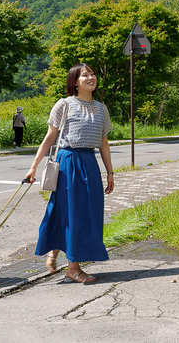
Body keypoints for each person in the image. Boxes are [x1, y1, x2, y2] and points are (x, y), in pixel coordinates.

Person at [24, 64, 115, 284]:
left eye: (92, 74)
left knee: (84, 213)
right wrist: (33, 166)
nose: (91, 77)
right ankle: (73, 268)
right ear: (75, 82)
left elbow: (103, 143)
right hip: (68, 162)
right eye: (85, 75)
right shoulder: (64, 105)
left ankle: (56, 250)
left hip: (89, 163)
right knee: (73, 213)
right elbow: (49, 138)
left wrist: (110, 172)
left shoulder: (101, 109)